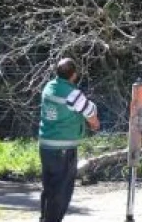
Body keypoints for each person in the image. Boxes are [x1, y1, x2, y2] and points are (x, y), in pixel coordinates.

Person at [38, 58, 99, 222]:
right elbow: (90, 113)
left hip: (45, 146)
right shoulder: (73, 93)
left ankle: (44, 218)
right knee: (62, 190)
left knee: (49, 187)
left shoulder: (48, 87)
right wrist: (94, 124)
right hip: (63, 149)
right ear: (74, 75)